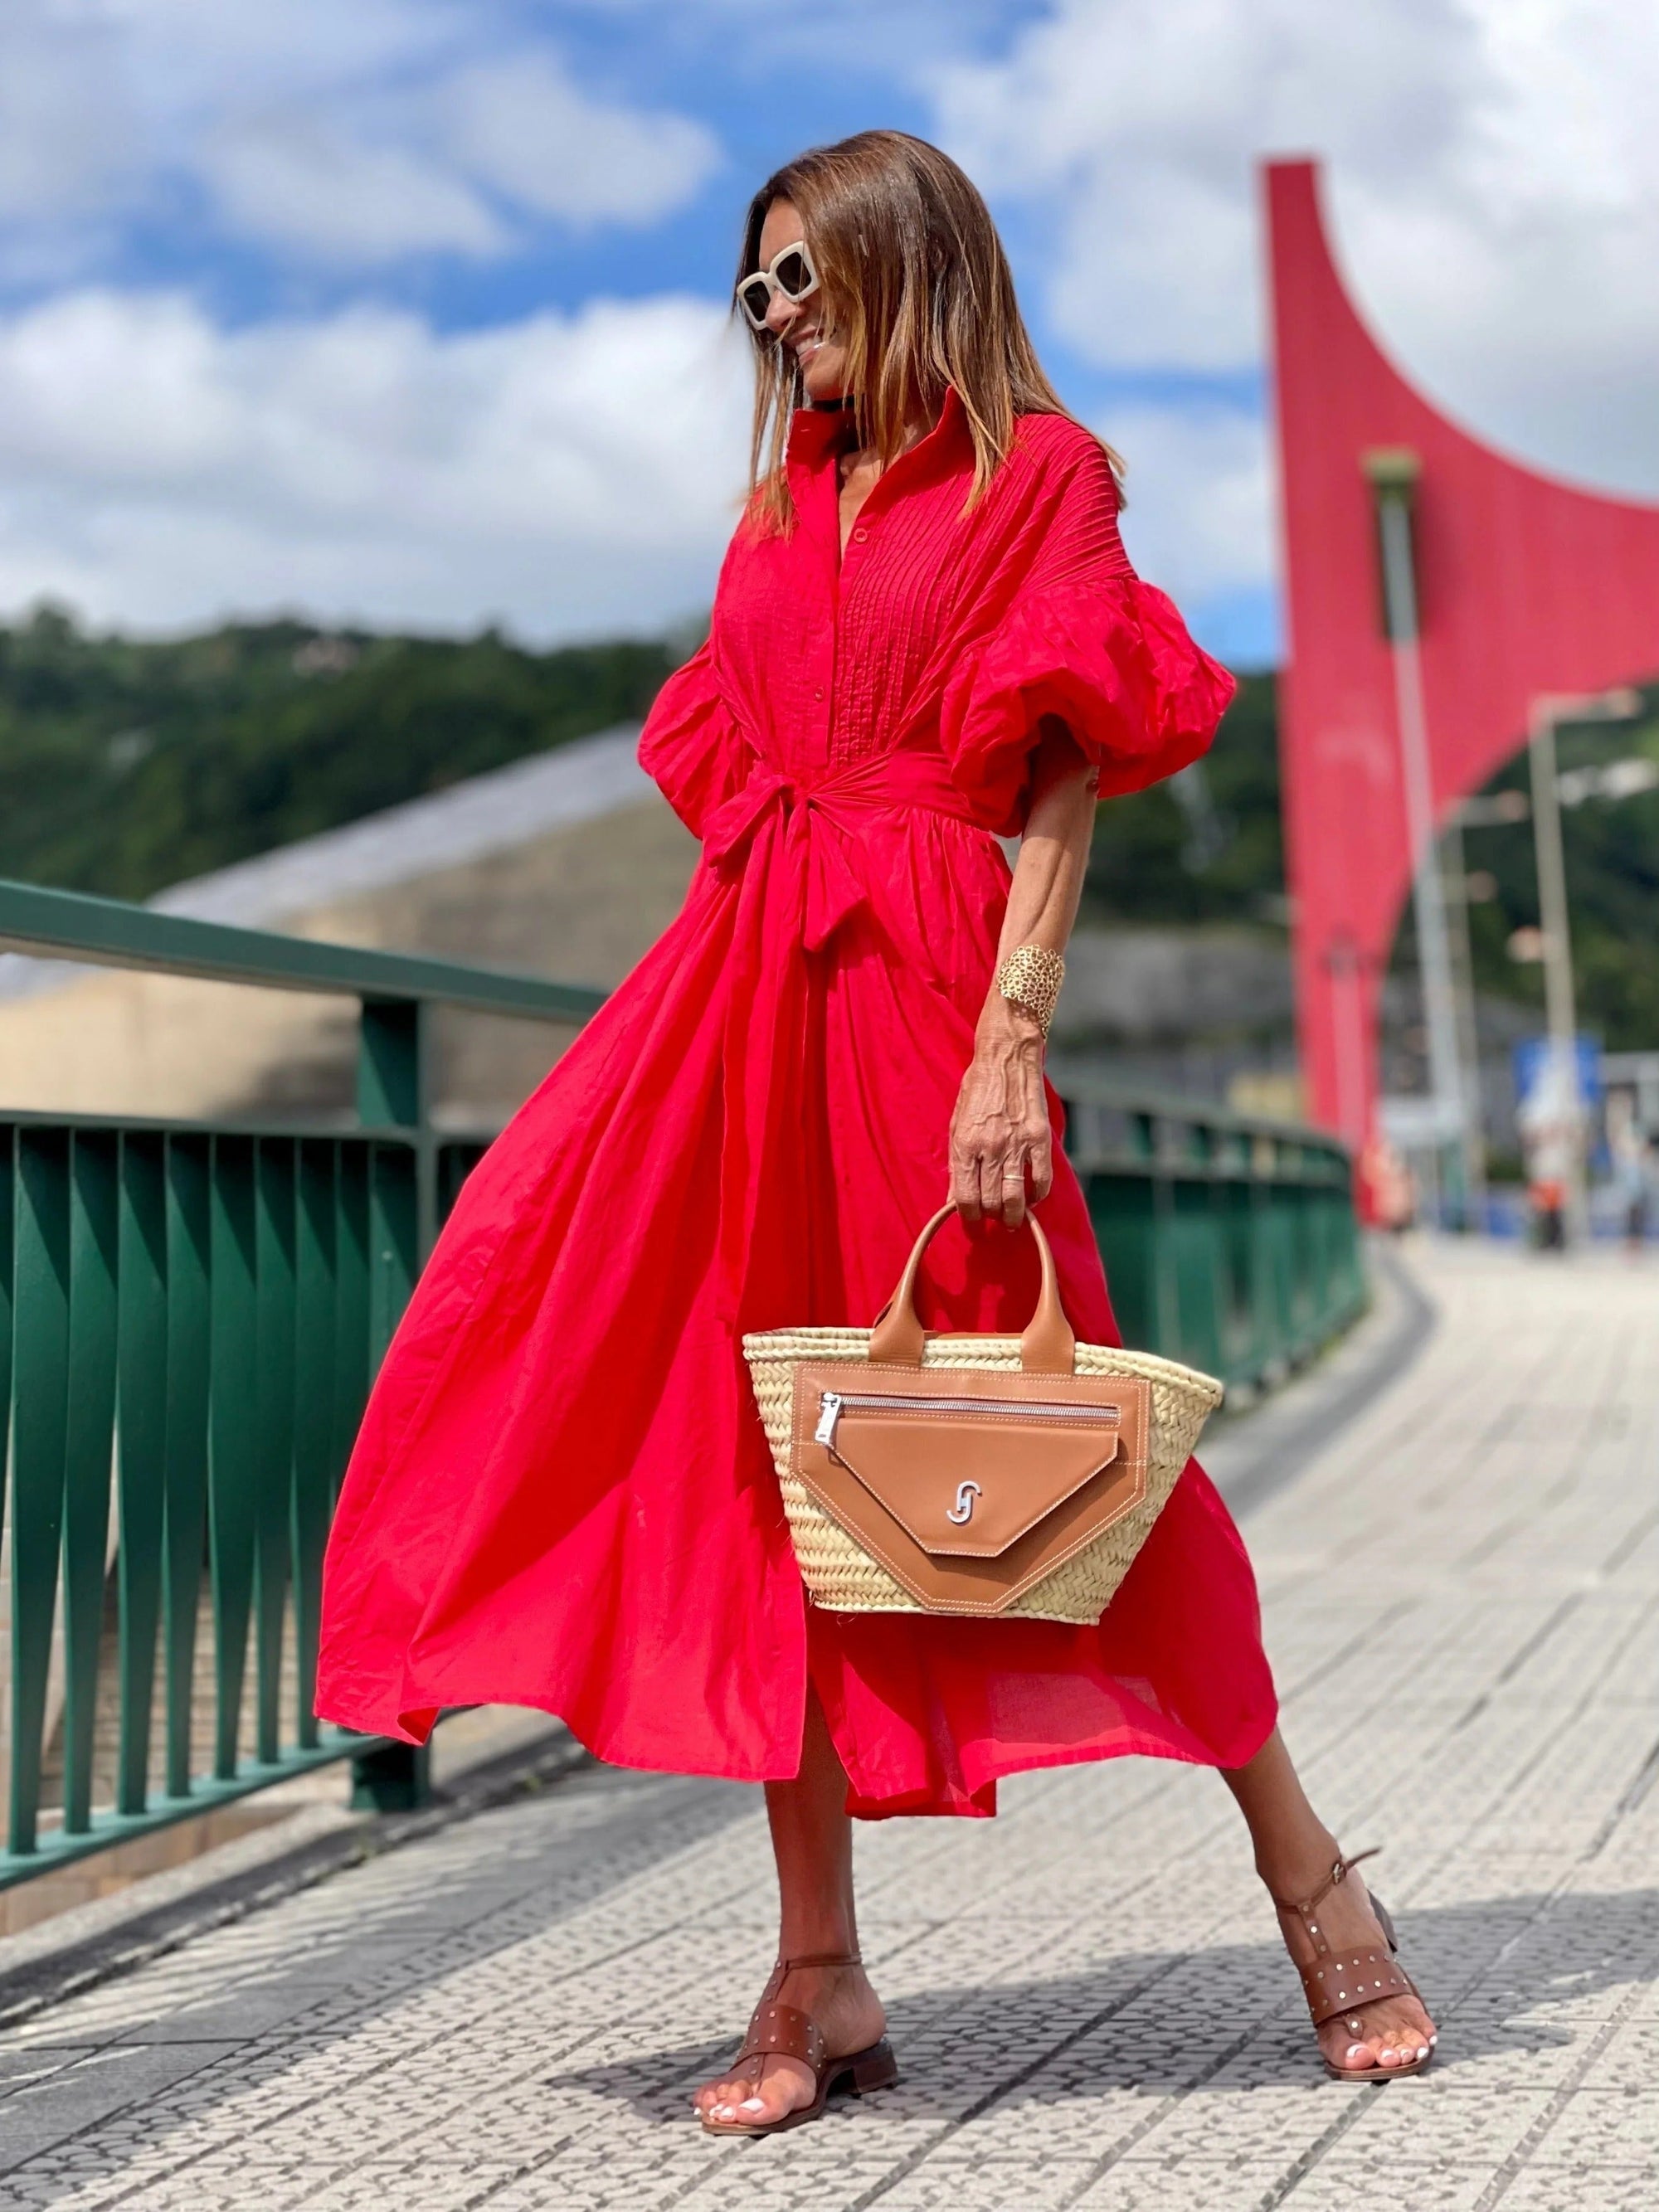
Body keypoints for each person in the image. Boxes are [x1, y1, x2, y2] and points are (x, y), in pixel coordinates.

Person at [316, 130, 1435, 2132]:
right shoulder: (773, 508)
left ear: (899, 260)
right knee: (759, 1463)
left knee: (1078, 1441)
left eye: (799, 280)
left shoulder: (1040, 477)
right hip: (740, 998)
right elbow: (735, 760)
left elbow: (1065, 771)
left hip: (927, 986)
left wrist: (1012, 1032)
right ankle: (816, 1966)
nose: (773, 320)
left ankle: (1311, 1877)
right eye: (751, 291)